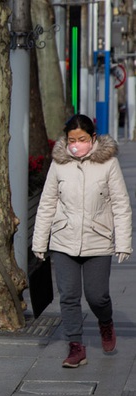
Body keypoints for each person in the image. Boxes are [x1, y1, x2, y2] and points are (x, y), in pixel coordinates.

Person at [32, 114, 132, 368]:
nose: (76, 144)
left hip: (97, 240)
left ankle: (106, 322)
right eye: (72, 139)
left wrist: (123, 242)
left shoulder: (108, 163)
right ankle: (75, 346)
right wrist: (39, 242)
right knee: (69, 296)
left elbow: (121, 204)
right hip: (64, 240)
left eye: (82, 139)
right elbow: (47, 204)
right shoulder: (59, 164)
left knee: (97, 296)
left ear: (93, 138)